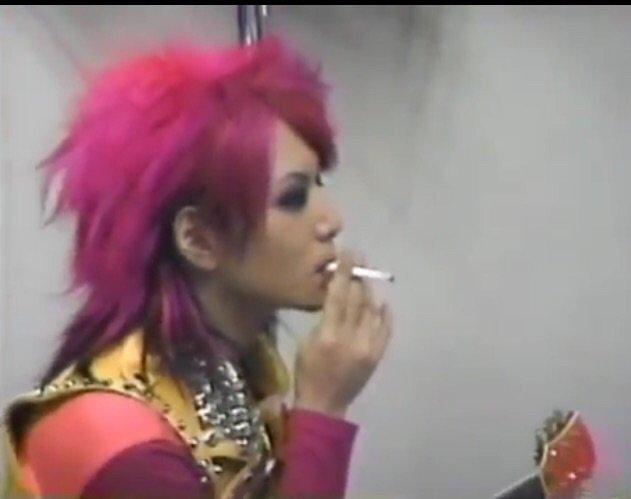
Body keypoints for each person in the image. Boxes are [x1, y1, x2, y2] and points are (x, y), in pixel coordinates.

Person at [1, 35, 393, 498]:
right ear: (198, 239)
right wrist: (323, 407)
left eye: (318, 185)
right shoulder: (122, 445)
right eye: (293, 197)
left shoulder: (240, 371)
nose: (331, 221)